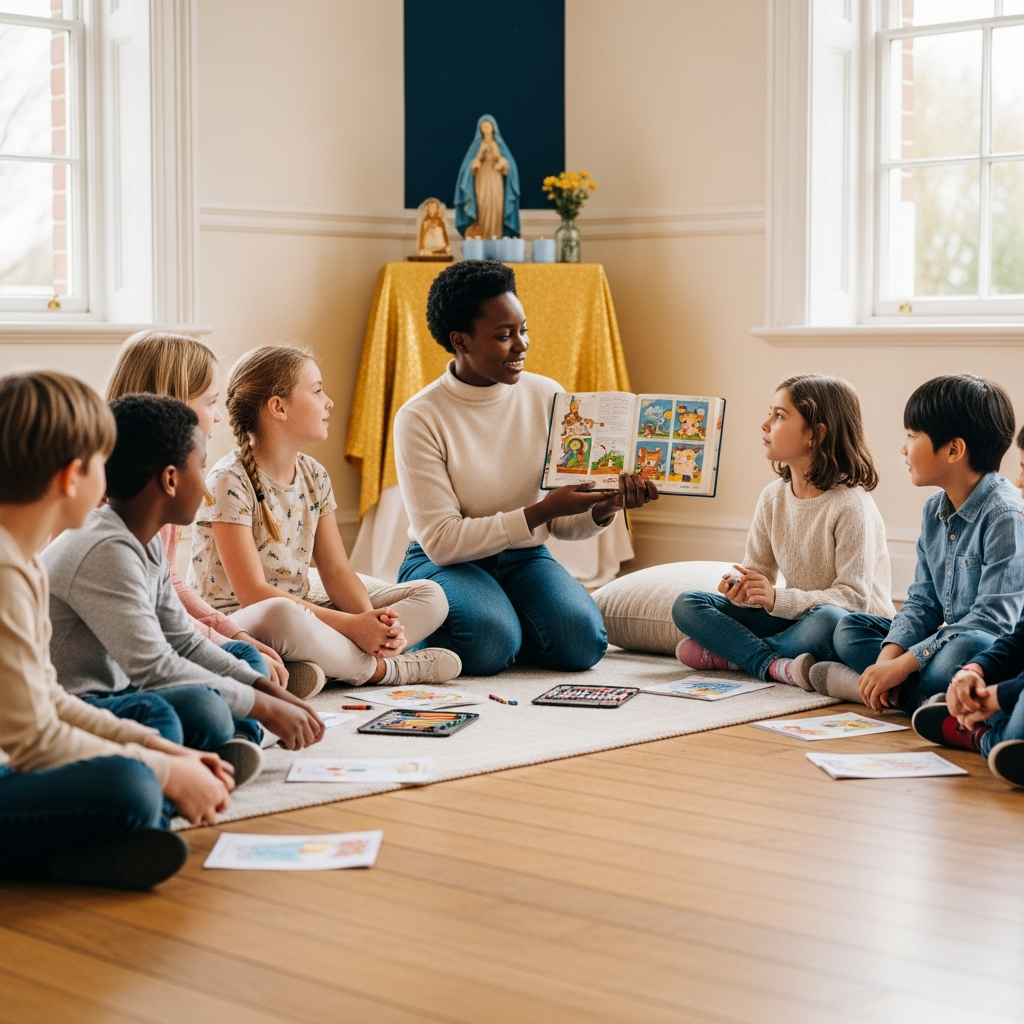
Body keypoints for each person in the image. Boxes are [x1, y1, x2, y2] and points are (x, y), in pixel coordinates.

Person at [0, 371, 234, 890]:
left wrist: (165, 751)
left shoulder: (23, 562)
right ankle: (75, 852)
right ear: (70, 477)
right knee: (129, 785)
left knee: (144, 765)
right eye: (102, 465)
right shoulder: (6, 571)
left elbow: (50, 703)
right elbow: (37, 740)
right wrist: (162, 769)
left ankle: (83, 852)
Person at [43, 394, 325, 787]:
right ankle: (236, 736)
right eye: (202, 465)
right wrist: (265, 707)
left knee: (244, 656)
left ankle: (239, 741)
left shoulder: (142, 538)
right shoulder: (106, 549)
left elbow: (184, 642)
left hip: (127, 682)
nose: (206, 480)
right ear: (171, 479)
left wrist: (267, 693)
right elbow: (156, 667)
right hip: (81, 701)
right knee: (202, 708)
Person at [394, 260, 658, 676]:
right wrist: (542, 511)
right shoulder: (420, 417)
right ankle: (478, 625)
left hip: (522, 556)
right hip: (443, 562)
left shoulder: (548, 395)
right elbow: (442, 542)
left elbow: (564, 527)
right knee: (486, 644)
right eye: (504, 335)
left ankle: (505, 621)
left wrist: (604, 507)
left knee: (583, 643)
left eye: (523, 329)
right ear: (460, 341)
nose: (521, 345)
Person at [190, 345, 458, 687]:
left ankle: (325, 664)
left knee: (431, 596)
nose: (329, 401)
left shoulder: (314, 475)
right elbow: (253, 594)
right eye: (317, 391)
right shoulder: (229, 481)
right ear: (278, 407)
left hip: (305, 615)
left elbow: (335, 570)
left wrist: (368, 621)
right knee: (283, 614)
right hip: (245, 622)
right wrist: (350, 627)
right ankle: (383, 670)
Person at [104, 330, 324, 698]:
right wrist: (221, 646)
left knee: (245, 659)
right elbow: (144, 617)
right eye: (210, 402)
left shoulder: (164, 484)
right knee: (223, 686)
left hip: (165, 633)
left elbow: (170, 583)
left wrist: (233, 637)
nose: (219, 417)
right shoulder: (117, 497)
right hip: (128, 653)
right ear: (172, 405)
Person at [812, 374, 1024, 713]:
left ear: (954, 450)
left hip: (983, 654)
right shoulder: (932, 511)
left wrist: (900, 666)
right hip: (940, 647)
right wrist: (885, 663)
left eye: (912, 436)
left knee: (961, 650)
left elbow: (992, 622)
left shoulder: (1006, 514)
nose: (903, 447)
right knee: (849, 629)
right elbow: (923, 602)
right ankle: (914, 696)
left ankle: (896, 693)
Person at [672, 375, 893, 688]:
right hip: (793, 618)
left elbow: (853, 599)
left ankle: (736, 656)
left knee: (826, 621)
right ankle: (775, 664)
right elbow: (757, 573)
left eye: (779, 416)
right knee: (688, 604)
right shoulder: (773, 496)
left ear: (815, 434)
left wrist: (777, 598)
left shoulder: (851, 505)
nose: (765, 424)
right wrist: (743, 590)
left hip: (852, 626)